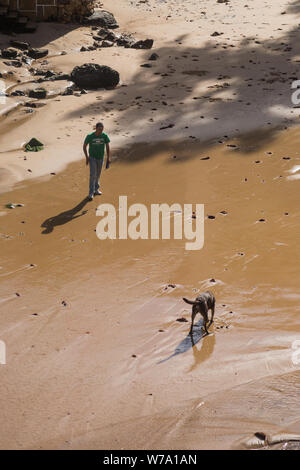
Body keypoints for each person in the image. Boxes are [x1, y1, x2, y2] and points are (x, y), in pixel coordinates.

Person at [83, 122, 111, 200]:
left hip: (101, 158)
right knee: (92, 175)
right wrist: (87, 157)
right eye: (99, 129)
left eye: (102, 129)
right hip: (92, 158)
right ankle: (90, 193)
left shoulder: (104, 136)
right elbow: (84, 146)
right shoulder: (90, 136)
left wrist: (108, 158)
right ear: (96, 128)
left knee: (98, 174)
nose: (101, 131)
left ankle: (96, 189)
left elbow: (108, 147)